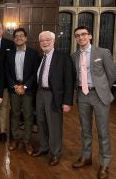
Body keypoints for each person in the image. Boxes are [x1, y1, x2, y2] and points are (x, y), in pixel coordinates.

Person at [71, 26, 116, 179]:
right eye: (77, 35)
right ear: (75, 39)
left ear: (90, 36)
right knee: (85, 129)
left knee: (103, 131)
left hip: (99, 96)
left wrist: (102, 89)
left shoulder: (102, 52)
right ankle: (86, 157)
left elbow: (111, 74)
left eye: (83, 34)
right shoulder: (74, 56)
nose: (81, 37)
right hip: (83, 96)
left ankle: (104, 164)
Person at [32, 31, 75, 166]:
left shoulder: (63, 58)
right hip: (40, 94)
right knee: (41, 122)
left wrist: (67, 102)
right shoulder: (40, 57)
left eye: (47, 40)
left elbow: (69, 81)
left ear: (53, 41)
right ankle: (44, 147)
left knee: (54, 125)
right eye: (42, 41)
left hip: (54, 96)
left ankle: (55, 153)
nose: (44, 42)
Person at [6, 28, 40, 155]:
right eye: (16, 36)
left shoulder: (33, 53)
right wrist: (15, 86)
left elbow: (35, 73)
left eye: (21, 36)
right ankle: (15, 139)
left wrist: (24, 87)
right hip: (14, 88)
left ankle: (27, 141)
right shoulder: (9, 53)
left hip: (28, 89)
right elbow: (7, 72)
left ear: (25, 38)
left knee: (28, 115)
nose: (19, 38)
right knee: (14, 114)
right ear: (14, 39)